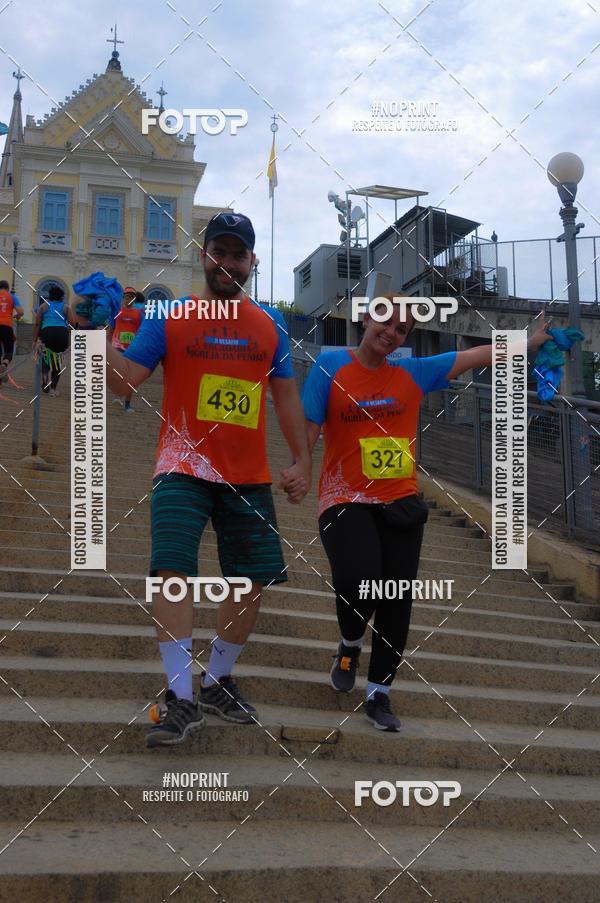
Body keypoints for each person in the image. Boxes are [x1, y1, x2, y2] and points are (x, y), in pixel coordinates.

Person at [104, 212, 311, 747]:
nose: (227, 261)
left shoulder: (271, 325)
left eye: (237, 253)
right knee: (172, 567)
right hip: (182, 466)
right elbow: (126, 383)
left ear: (251, 262)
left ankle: (218, 680)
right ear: (203, 256)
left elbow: (285, 396)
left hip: (248, 475)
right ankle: (180, 696)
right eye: (218, 250)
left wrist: (302, 459)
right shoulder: (169, 315)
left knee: (250, 580)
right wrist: (94, 341)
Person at [301, 295, 551, 732]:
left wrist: (527, 343)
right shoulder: (330, 369)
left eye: (401, 330)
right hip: (345, 499)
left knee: (396, 597)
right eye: (386, 322)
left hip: (400, 501)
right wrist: (299, 467)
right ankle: (349, 642)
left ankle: (379, 693)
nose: (391, 332)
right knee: (360, 583)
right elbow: (307, 425)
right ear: (365, 319)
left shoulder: (412, 373)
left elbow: (475, 354)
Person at [107, 286, 144, 411]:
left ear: (134, 299)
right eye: (127, 296)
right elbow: (111, 329)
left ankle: (127, 404)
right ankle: (118, 395)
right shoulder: (117, 312)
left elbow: (141, 331)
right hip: (117, 346)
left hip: (132, 348)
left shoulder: (139, 314)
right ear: (123, 298)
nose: (129, 299)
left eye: (131, 297)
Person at [32, 286, 71, 396]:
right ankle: (53, 389)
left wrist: (34, 340)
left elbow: (37, 323)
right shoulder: (66, 307)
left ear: (50, 296)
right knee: (57, 362)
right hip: (61, 334)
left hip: (47, 332)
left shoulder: (44, 306)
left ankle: (45, 379)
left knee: (45, 357)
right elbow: (72, 323)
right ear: (61, 297)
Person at [0, 280, 24, 384]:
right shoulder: (12, 297)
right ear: (8, 288)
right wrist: (18, 316)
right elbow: (21, 312)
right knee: (8, 351)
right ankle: (4, 365)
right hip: (6, 326)